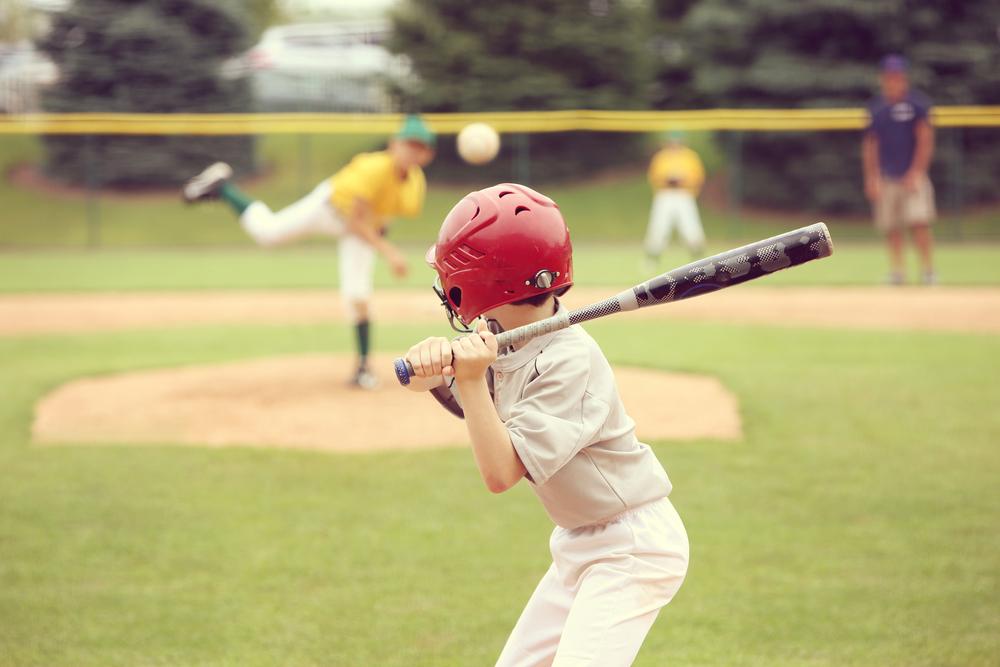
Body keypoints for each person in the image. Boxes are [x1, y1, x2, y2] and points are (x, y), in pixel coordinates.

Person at [403, 183, 689, 666]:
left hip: (631, 548)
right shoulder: (501, 334)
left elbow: (501, 472)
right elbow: (482, 415)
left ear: (485, 282)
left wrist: (470, 381)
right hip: (579, 541)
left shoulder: (569, 359)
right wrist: (435, 380)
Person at [182, 114, 436, 388]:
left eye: (419, 147)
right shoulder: (373, 168)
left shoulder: (415, 184)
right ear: (393, 144)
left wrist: (380, 239)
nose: (412, 151)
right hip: (329, 208)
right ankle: (223, 188)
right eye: (408, 144)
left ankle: (363, 369)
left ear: (427, 154)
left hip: (361, 229)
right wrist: (388, 251)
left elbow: (384, 215)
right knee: (269, 232)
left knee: (358, 295)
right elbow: (355, 220)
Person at [862, 54, 937, 285]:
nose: (893, 80)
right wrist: (872, 177)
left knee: (919, 223)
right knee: (892, 227)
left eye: (897, 76)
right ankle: (898, 272)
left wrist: (917, 172)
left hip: (912, 177)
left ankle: (928, 271)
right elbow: (870, 145)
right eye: (889, 76)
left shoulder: (918, 105)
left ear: (904, 78)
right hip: (887, 177)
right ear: (883, 78)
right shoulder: (877, 108)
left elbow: (925, 139)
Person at [644, 130, 706, 267]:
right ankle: (652, 259)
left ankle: (699, 260)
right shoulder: (661, 157)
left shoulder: (690, 157)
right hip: (665, 194)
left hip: (684, 194)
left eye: (677, 141)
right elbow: (654, 176)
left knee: (691, 227)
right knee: (659, 227)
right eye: (672, 141)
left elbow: (698, 176)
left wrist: (683, 180)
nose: (674, 144)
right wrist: (666, 179)